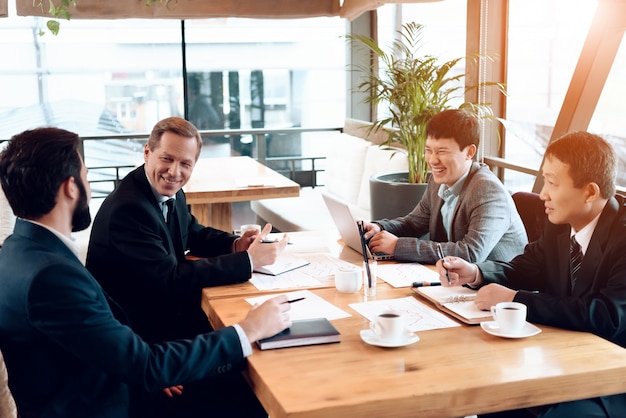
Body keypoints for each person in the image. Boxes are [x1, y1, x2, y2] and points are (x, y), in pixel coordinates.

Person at [0, 127, 292, 418]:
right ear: (70, 187)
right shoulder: (50, 278)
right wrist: (249, 329)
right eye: (86, 176)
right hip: (117, 399)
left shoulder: (19, 250)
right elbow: (146, 367)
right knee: (252, 393)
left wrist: (234, 246)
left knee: (238, 374)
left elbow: (111, 340)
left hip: (123, 366)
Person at [438, 131, 626, 417]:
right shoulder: (560, 223)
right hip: (565, 356)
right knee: (492, 388)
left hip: (612, 378)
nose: (543, 194)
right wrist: (476, 272)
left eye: (552, 182)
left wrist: (516, 299)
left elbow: (607, 316)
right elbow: (528, 267)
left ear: (589, 192)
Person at [86, 116, 289, 344]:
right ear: (146, 153)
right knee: (245, 340)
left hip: (163, 309)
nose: (174, 172)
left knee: (256, 326)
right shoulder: (129, 209)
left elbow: (192, 231)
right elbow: (171, 279)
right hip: (138, 332)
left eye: (185, 164)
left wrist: (235, 244)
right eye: (167, 159)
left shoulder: (168, 189)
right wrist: (247, 261)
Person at [363, 109, 527, 264]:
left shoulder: (487, 191)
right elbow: (413, 223)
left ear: (469, 152)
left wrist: (398, 246)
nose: (433, 160)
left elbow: (471, 253)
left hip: (499, 286)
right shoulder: (438, 181)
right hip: (455, 281)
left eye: (442, 151)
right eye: (429, 150)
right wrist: (379, 227)